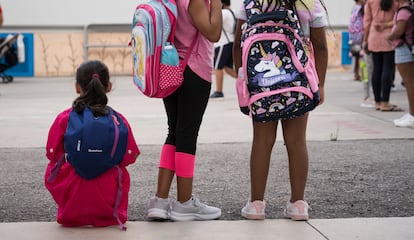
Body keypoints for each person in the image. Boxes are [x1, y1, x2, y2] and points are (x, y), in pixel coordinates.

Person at [233, 0, 328, 220]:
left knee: (261, 142)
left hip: (261, 85)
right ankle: (298, 204)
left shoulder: (250, 3)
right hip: (298, 84)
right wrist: (320, 84)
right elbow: (320, 46)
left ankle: (256, 205)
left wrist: (243, 79)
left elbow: (238, 43)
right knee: (296, 142)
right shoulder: (308, 3)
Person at [146, 0, 223, 221]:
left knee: (174, 132)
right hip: (194, 69)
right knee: (187, 134)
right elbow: (213, 33)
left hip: (169, 66)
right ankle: (184, 203)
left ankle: (160, 201)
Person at [44, 60, 140, 228]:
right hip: (108, 194)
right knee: (118, 168)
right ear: (108, 86)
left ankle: (72, 209)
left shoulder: (64, 118)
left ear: (77, 87)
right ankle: (108, 212)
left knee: (55, 165)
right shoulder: (118, 120)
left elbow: (52, 154)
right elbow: (128, 157)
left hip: (72, 193)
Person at [363, 0, 402, 111]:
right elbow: (399, 19)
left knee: (377, 70)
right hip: (390, 38)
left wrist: (365, 40)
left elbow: (366, 23)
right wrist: (386, 25)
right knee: (387, 70)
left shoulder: (370, 2)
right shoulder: (396, 2)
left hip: (374, 37)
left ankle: (377, 102)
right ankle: (385, 102)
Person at [387, 0, 414, 127]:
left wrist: (389, 37)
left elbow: (399, 30)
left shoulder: (404, 11)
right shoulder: (409, 8)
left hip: (404, 49)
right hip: (408, 48)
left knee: (410, 83)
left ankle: (412, 115)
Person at [210, 0, 237, 99]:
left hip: (223, 43)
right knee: (228, 68)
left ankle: (219, 91)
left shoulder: (223, 13)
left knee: (218, 68)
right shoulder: (234, 12)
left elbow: (212, 23)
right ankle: (246, 82)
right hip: (231, 42)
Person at [349, 0, 366, 81]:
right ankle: (362, 74)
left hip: (353, 35)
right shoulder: (361, 9)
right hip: (360, 35)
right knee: (361, 56)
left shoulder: (353, 9)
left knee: (356, 56)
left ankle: (356, 74)